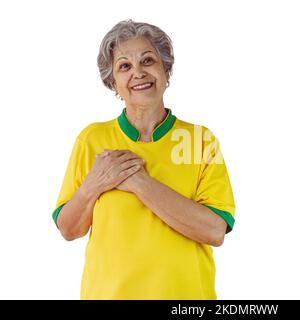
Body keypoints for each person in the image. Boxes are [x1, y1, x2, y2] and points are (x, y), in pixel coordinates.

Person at [51, 19, 235, 300]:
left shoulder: (200, 141)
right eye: (124, 66)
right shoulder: (92, 140)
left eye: (148, 61)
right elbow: (68, 228)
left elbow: (214, 230)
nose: (138, 73)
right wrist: (95, 183)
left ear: (166, 71)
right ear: (113, 82)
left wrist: (137, 182)